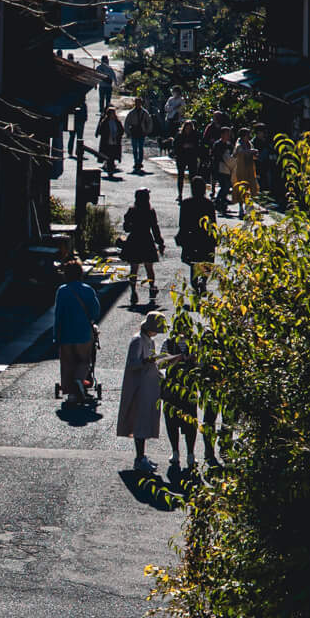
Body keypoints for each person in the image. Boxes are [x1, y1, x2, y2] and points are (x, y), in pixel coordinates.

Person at [117, 312, 164, 471]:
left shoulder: (148, 340)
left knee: (144, 422)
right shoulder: (138, 341)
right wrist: (147, 361)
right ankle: (139, 458)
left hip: (148, 386)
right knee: (140, 423)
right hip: (140, 388)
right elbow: (132, 363)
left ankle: (142, 456)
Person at [54, 255, 102, 405]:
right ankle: (79, 380)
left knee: (67, 362)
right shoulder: (88, 290)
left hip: (65, 334)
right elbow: (95, 312)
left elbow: (58, 315)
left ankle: (71, 394)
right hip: (83, 333)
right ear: (80, 273)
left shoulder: (61, 291)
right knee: (83, 360)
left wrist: (56, 335)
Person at [161, 321, 199, 476]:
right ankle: (175, 451)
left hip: (189, 387)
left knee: (191, 420)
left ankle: (190, 453)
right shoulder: (168, 343)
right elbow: (162, 363)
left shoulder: (195, 344)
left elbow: (200, 364)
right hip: (172, 387)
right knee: (171, 420)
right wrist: (179, 358)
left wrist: (193, 359)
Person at [121, 186, 165, 306]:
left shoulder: (132, 210)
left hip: (134, 240)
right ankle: (151, 287)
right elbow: (155, 228)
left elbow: (126, 228)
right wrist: (160, 242)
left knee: (134, 268)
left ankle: (133, 291)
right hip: (146, 239)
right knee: (149, 267)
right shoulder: (150, 211)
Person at [177, 183, 219, 289]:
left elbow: (182, 223)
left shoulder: (186, 203)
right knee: (207, 261)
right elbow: (213, 222)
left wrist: (181, 236)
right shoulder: (208, 203)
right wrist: (215, 236)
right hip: (206, 236)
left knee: (193, 262)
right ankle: (203, 281)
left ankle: (195, 284)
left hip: (191, 236)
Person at [227, 127, 259, 214]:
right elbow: (239, 152)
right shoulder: (239, 144)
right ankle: (241, 207)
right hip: (241, 170)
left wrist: (255, 153)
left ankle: (248, 206)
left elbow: (254, 156)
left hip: (249, 169)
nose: (249, 136)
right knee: (241, 187)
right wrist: (250, 151)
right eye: (247, 135)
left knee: (250, 188)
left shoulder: (249, 144)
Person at [122, 95, 153, 175]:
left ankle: (140, 162)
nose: (137, 104)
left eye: (139, 102)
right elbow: (127, 122)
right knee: (135, 148)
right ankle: (136, 162)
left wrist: (147, 131)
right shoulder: (131, 113)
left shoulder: (145, 112)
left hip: (141, 132)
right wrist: (128, 132)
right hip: (134, 132)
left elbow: (149, 122)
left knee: (141, 148)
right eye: (136, 102)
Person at [173, 116, 201, 201]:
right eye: (186, 128)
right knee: (180, 176)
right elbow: (175, 146)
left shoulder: (195, 135)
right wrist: (183, 147)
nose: (188, 129)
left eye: (189, 128)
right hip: (182, 157)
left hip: (192, 157)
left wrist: (192, 147)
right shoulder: (179, 135)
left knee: (193, 176)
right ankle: (180, 194)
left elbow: (198, 146)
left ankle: (194, 194)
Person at [98, 103, 123, 180]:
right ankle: (109, 169)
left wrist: (117, 135)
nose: (112, 115)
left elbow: (121, 130)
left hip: (115, 142)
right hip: (107, 142)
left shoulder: (117, 122)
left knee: (112, 156)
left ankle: (111, 169)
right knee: (108, 157)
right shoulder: (105, 122)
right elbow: (101, 131)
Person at [95, 51, 115, 119]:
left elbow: (96, 76)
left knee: (103, 99)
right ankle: (105, 110)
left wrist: (95, 84)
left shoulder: (99, 67)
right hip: (106, 86)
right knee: (106, 99)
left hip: (104, 86)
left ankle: (103, 110)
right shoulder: (108, 68)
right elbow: (114, 76)